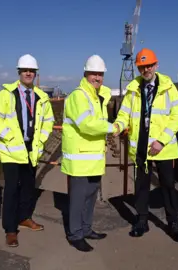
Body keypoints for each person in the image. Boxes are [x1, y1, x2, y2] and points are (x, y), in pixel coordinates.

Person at [113, 48, 178, 242]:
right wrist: (118, 126)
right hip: (141, 147)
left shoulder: (169, 88)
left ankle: (173, 223)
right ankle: (141, 221)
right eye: (142, 67)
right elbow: (124, 114)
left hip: (163, 147)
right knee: (141, 186)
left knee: (168, 185)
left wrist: (161, 140)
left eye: (149, 65)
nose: (146, 70)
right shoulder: (133, 90)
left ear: (156, 65)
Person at [0, 54, 54, 247]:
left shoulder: (41, 97)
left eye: (31, 71)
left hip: (31, 149)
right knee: (11, 190)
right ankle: (10, 229)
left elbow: (49, 121)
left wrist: (41, 140)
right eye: (25, 70)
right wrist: (9, 136)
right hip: (11, 149)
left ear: (35, 74)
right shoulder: (6, 95)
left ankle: (24, 217)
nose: (28, 73)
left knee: (27, 187)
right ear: (19, 72)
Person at [61, 55, 118, 252]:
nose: (97, 77)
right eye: (94, 73)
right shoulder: (79, 96)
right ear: (85, 74)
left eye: (100, 74)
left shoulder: (96, 97)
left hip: (93, 157)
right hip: (79, 158)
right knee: (77, 199)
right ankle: (75, 235)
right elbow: (87, 125)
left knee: (91, 196)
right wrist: (113, 128)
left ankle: (86, 229)